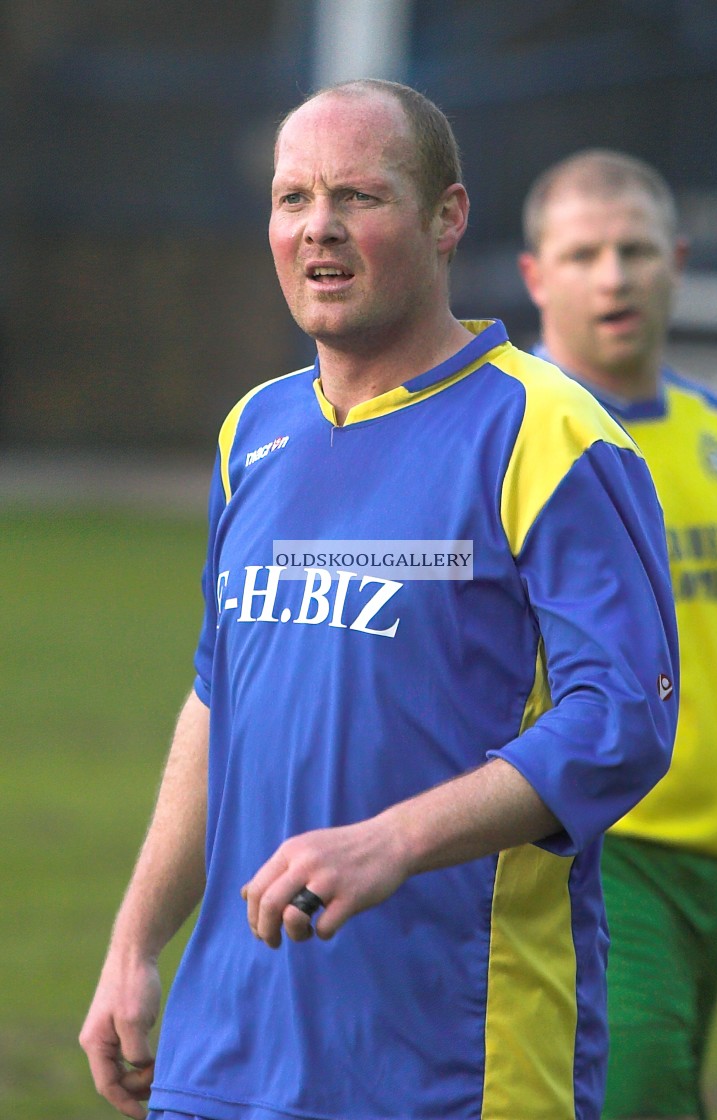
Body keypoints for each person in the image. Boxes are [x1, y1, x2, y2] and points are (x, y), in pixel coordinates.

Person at [80, 83, 679, 1120]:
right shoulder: (252, 432)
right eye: (293, 196)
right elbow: (217, 700)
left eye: (359, 195)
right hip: (224, 1058)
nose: (318, 225)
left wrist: (391, 839)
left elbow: (622, 716)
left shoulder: (547, 431)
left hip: (453, 1067)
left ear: (448, 217)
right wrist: (136, 943)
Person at [519, 148, 717, 1120]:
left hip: (712, 869)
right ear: (535, 275)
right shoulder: (522, 435)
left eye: (634, 250)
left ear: (678, 261)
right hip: (602, 851)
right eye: (581, 254)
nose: (612, 276)